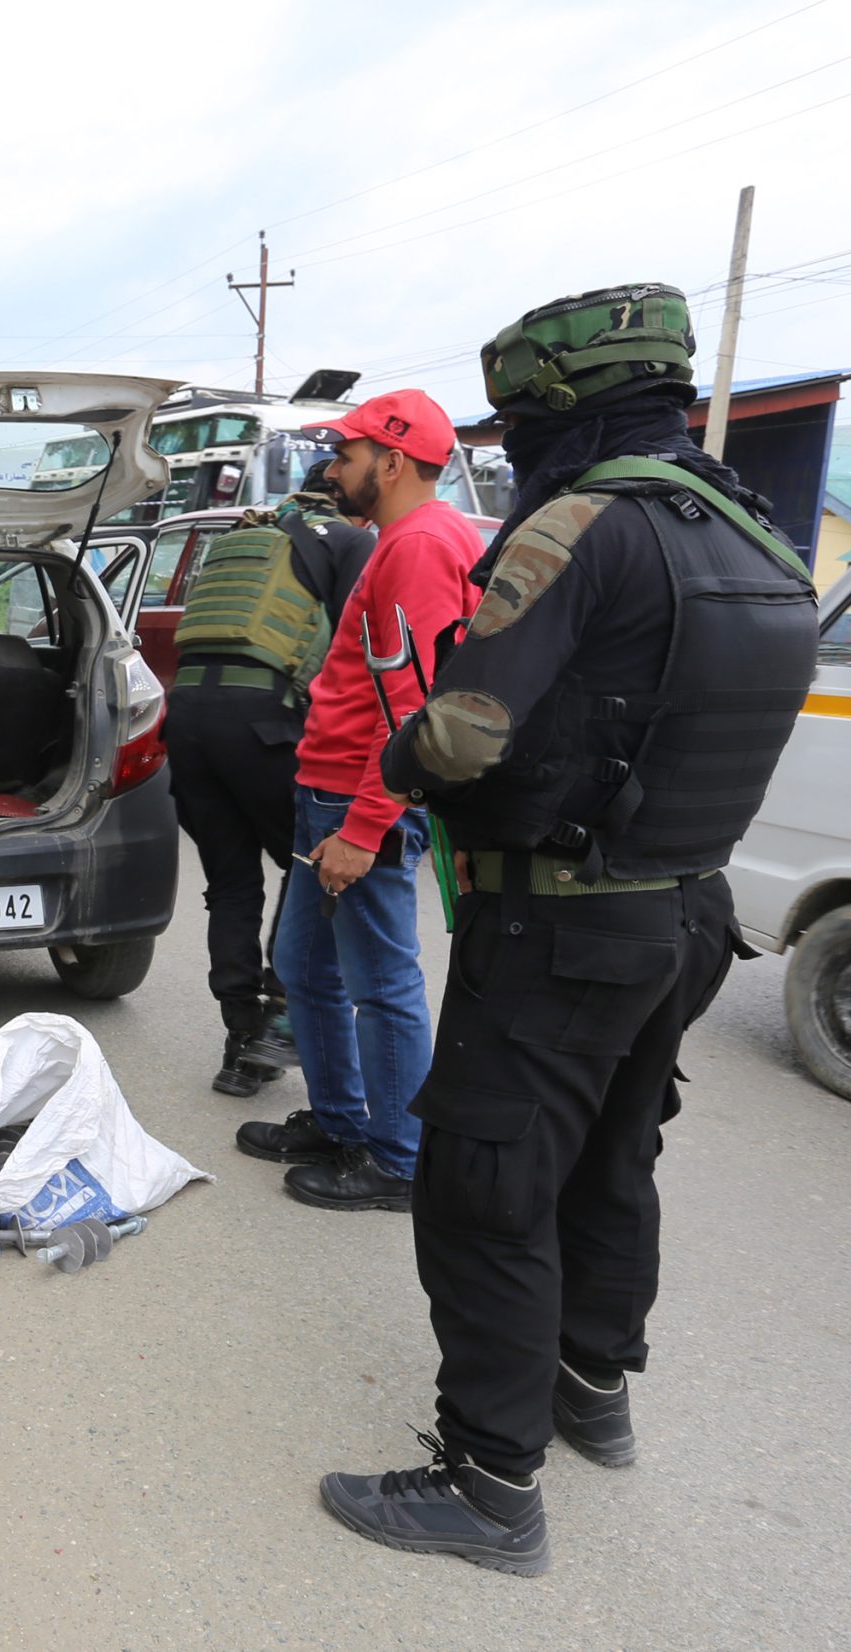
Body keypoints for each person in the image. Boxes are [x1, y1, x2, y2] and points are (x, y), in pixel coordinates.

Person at [320, 285, 818, 1575]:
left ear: (556, 407)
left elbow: (461, 731)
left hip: (558, 922)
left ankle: (489, 1485)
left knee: (485, 1186)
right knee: (611, 1158)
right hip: (686, 912)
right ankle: (591, 1392)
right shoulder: (755, 531)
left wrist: (397, 765)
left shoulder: (579, 522)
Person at [234, 390, 480, 1212]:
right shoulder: (402, 539)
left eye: (346, 455)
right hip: (330, 793)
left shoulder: (420, 546)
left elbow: (412, 709)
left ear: (393, 461)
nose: (332, 470)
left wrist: (368, 826)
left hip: (357, 800)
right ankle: (342, 1123)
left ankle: (400, 1159)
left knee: (380, 982)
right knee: (306, 968)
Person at [163, 474, 374, 1095]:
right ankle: (281, 1019)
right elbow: (356, 651)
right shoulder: (350, 541)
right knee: (314, 866)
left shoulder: (243, 536)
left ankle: (240, 1044)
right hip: (264, 725)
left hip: (187, 721)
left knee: (231, 885)